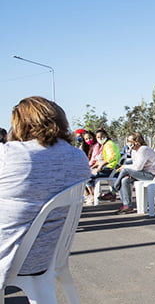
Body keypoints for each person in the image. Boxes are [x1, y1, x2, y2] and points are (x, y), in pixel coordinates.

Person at [0, 96, 91, 285]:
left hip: (10, 257)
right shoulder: (78, 157)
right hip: (48, 256)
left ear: (20, 123)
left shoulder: (10, 155)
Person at [113, 132, 155, 214]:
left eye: (130, 141)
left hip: (151, 175)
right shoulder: (134, 151)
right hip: (142, 173)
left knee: (125, 169)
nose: (128, 143)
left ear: (137, 142)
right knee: (125, 180)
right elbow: (135, 166)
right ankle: (127, 206)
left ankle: (113, 190)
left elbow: (138, 167)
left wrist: (125, 168)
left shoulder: (144, 149)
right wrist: (130, 173)